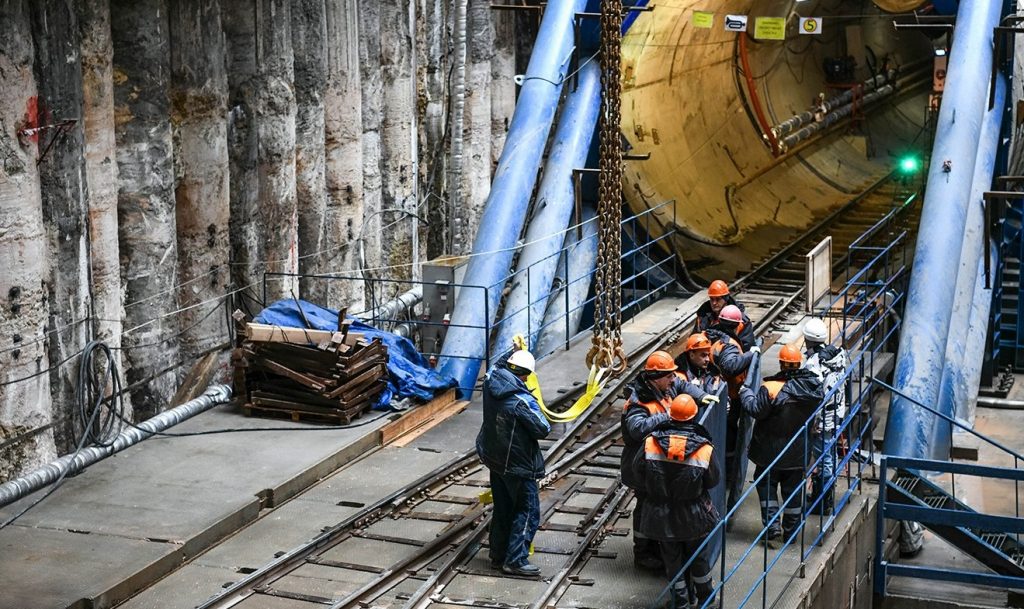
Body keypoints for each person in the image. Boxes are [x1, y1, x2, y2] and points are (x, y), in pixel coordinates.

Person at [620, 350, 717, 571]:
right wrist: (669, 415)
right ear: (656, 377)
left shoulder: (667, 386)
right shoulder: (638, 401)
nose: (674, 379)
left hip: (655, 463)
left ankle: (657, 547)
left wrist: (701, 396)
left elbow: (683, 386)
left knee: (656, 505)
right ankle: (643, 554)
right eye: (669, 375)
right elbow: (636, 430)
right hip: (643, 465)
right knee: (645, 506)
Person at [630, 394, 721, 608]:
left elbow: (637, 471)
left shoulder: (651, 442)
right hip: (693, 515)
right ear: (693, 417)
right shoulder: (704, 448)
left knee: (672, 561)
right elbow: (713, 480)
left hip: (661, 515)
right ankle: (706, 600)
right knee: (698, 559)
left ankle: (680, 602)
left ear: (669, 416)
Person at [739, 344, 824, 546]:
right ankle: (791, 533)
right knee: (793, 492)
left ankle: (772, 528)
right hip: (798, 452)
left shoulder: (771, 388)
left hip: (769, 452)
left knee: (766, 486)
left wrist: (745, 393)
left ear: (782, 363)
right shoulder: (813, 388)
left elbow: (755, 409)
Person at [476, 350, 551, 576]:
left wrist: (514, 349)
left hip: (495, 460)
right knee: (528, 511)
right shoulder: (520, 401)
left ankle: (498, 555)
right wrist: (532, 400)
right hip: (518, 465)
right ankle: (516, 560)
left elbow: (495, 366)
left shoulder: (491, 382)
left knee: (503, 507)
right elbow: (543, 428)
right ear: (525, 375)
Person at [705, 310, 758, 512]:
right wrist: (751, 354)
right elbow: (730, 366)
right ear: (737, 326)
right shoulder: (728, 344)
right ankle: (725, 476)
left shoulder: (715, 336)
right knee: (727, 436)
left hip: (724, 394)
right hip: (730, 396)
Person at [802, 317, 849, 516]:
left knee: (823, 459)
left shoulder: (814, 364)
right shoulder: (838, 355)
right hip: (836, 414)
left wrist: (812, 420)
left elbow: (812, 393)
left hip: (822, 419)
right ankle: (825, 498)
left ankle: (822, 502)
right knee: (829, 455)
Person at [696, 280, 756, 350]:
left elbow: (747, 347)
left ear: (726, 299)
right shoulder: (702, 315)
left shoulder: (741, 321)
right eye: (712, 299)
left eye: (718, 299)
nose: (714, 303)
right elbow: (695, 337)